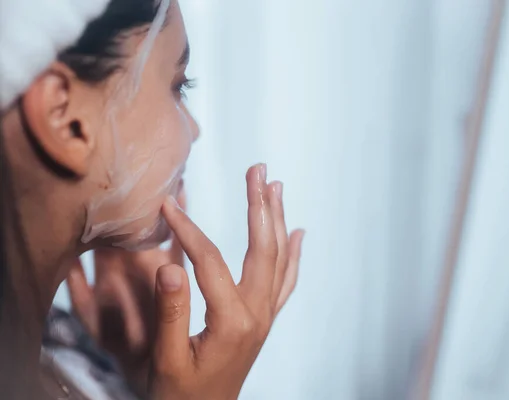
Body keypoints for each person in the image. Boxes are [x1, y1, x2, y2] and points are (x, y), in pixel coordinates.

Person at [0, 0, 305, 398]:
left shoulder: (58, 352)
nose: (194, 129)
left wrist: (134, 377)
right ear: (67, 119)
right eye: (177, 85)